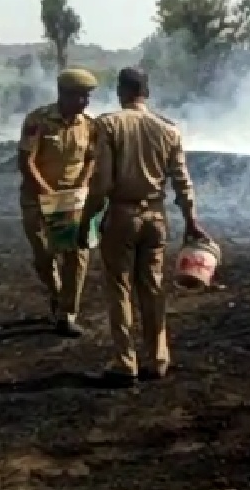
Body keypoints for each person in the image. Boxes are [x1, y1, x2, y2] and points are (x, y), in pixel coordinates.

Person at [79, 67, 210, 388]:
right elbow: (183, 183)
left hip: (121, 216)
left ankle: (125, 361)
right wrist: (192, 222)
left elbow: (101, 184)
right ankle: (158, 357)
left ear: (121, 92)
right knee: (152, 289)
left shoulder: (108, 125)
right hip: (155, 218)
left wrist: (87, 222)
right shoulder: (168, 130)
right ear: (146, 93)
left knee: (119, 288)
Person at [18, 67, 99, 338]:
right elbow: (26, 161)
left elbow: (91, 159)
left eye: (87, 97)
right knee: (44, 256)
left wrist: (84, 184)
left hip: (71, 200)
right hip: (37, 199)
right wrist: (46, 192)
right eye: (79, 96)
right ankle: (56, 295)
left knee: (76, 255)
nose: (84, 102)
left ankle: (67, 313)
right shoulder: (38, 121)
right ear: (63, 94)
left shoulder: (89, 125)